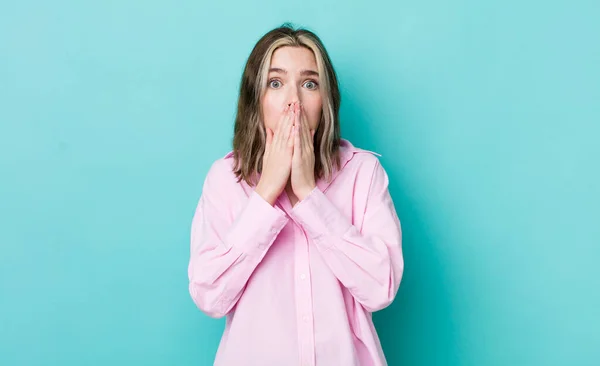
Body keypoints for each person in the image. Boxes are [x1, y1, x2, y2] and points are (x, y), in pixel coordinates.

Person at [187, 23, 404, 366]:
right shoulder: (224, 180)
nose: (293, 101)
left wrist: (307, 195)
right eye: (275, 83)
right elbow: (210, 296)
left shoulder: (363, 175)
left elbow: (381, 288)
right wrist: (266, 193)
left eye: (309, 83)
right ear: (255, 100)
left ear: (325, 101)